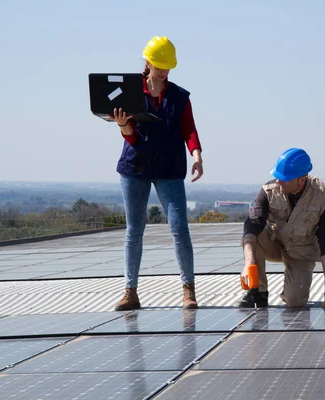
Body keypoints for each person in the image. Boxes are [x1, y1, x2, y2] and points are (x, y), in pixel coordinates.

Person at [111, 36, 203, 311]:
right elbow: (133, 139)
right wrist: (123, 126)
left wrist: (196, 155)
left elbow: (189, 129)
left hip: (170, 169)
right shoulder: (129, 93)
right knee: (134, 231)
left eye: (167, 66)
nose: (163, 71)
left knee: (179, 229)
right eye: (159, 65)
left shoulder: (179, 96)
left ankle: (188, 291)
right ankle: (130, 292)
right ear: (148, 62)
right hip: (134, 168)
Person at [239, 148, 325, 309]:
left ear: (301, 180)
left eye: (284, 179)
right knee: (252, 237)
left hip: (302, 250)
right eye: (277, 176)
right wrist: (249, 263)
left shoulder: (323, 196)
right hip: (275, 243)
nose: (278, 182)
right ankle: (258, 292)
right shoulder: (268, 191)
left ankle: (291, 288)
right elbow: (252, 224)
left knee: (295, 302)